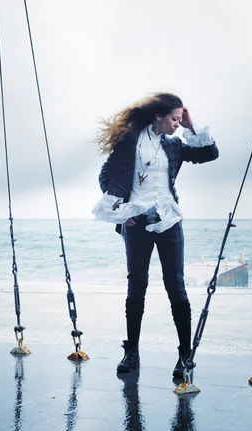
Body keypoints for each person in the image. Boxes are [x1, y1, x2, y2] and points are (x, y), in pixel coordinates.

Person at [93, 92, 219, 377]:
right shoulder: (130, 141)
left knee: (175, 285)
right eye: (174, 119)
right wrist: (123, 210)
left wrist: (190, 125)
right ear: (158, 116)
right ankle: (132, 351)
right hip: (137, 222)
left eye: (179, 119)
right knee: (136, 285)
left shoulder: (174, 146)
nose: (176, 123)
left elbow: (209, 154)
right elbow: (106, 175)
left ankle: (184, 355)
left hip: (168, 221)